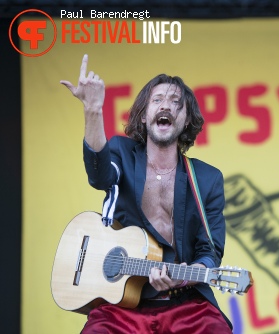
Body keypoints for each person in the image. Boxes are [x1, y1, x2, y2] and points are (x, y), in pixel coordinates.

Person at [60, 54, 233, 333]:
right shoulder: (121, 152)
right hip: (122, 305)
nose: (166, 105)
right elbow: (98, 176)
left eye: (177, 103)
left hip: (186, 305)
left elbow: (209, 253)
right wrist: (92, 110)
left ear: (186, 121)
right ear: (143, 116)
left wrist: (181, 278)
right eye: (157, 100)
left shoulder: (207, 179)